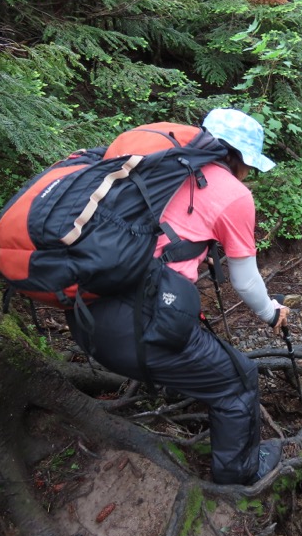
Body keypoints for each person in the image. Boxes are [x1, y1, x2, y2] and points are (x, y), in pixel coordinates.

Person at [66, 109, 289, 486]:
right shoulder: (233, 193)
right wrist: (272, 313)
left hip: (84, 312)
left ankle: (184, 388)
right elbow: (247, 283)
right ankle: (239, 473)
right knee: (239, 378)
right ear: (238, 157)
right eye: (249, 164)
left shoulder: (149, 168)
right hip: (141, 327)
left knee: (205, 352)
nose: (249, 173)